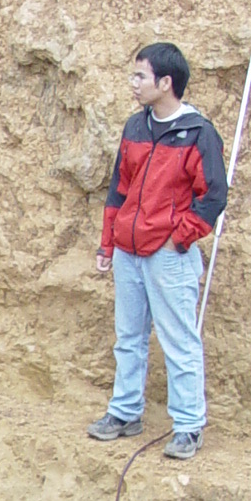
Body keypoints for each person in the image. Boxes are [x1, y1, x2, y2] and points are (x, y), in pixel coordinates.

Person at [88, 41, 226, 462]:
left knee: (178, 339)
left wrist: (179, 237)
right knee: (128, 337)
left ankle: (188, 425)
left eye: (140, 76)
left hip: (168, 255)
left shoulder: (199, 133)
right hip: (129, 251)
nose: (134, 84)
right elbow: (119, 189)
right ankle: (125, 412)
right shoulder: (135, 126)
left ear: (166, 83)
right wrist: (108, 243)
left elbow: (214, 196)